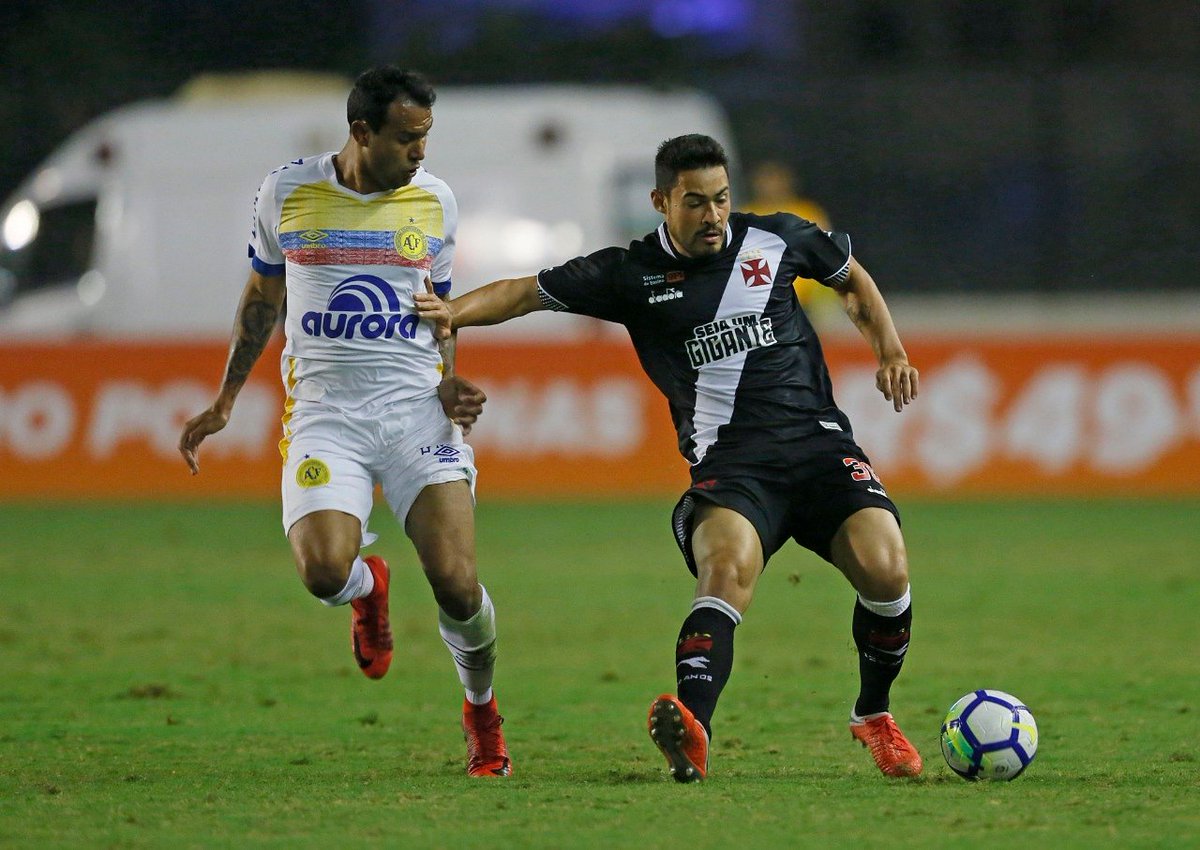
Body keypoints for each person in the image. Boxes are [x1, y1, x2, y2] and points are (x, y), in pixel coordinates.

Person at [415, 134, 922, 781]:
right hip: (734, 468)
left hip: (820, 448)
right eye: (694, 203)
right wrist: (452, 312)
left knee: (887, 569)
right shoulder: (631, 275)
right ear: (660, 202)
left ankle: (873, 715)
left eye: (720, 199)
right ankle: (694, 734)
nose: (712, 215)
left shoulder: (778, 239)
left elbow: (849, 280)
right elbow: (525, 292)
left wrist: (891, 350)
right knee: (725, 570)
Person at [178, 66, 512, 778]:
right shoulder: (287, 191)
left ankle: (482, 715)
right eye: (407, 138)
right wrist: (226, 398)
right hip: (327, 417)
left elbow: (440, 309)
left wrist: (451, 381)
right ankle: (369, 588)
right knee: (324, 572)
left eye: (427, 138)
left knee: (456, 583)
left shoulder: (435, 202)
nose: (421, 153)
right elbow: (263, 295)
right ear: (362, 132)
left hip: (416, 413)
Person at [742, 159, 840, 326]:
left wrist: (828, 299)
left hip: (807, 303)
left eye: (775, 179)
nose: (770, 186)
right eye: (766, 180)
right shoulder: (745, 217)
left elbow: (830, 255)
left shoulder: (807, 213)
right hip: (764, 304)